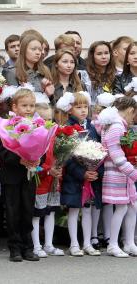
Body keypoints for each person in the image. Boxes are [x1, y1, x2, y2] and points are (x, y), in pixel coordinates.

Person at [56, 91, 103, 257]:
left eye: (85, 107)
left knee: (88, 210)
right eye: (78, 107)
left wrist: (95, 171)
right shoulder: (67, 128)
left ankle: (88, 242)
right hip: (74, 178)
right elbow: (66, 156)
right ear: (70, 109)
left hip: (91, 177)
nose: (83, 110)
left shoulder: (92, 127)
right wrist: (82, 173)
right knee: (74, 210)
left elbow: (99, 150)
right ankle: (74, 243)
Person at [0, 88, 41, 262]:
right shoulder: (6, 126)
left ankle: (28, 246)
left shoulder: (38, 125)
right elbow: (3, 151)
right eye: (24, 105)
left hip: (29, 175)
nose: (29, 109)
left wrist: (38, 159)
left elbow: (42, 147)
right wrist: (20, 160)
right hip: (12, 175)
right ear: (14, 107)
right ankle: (14, 247)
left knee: (28, 210)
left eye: (31, 105)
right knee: (13, 211)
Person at [98, 96, 137, 257]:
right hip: (117, 173)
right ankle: (113, 244)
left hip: (122, 174)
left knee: (131, 207)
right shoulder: (116, 127)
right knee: (121, 208)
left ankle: (129, 243)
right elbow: (116, 155)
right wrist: (133, 173)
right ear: (130, 110)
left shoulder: (117, 125)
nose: (134, 118)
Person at [31, 97, 65, 258]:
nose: (46, 123)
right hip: (40, 182)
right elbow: (32, 163)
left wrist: (59, 168)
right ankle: (36, 245)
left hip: (53, 181)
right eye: (42, 119)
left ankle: (49, 244)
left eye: (50, 119)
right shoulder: (33, 136)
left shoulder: (54, 135)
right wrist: (46, 170)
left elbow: (58, 155)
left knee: (50, 212)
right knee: (37, 214)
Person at [79, 41, 116, 105]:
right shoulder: (84, 75)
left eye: (106, 53)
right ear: (92, 56)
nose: (104, 57)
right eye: (99, 54)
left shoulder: (115, 74)